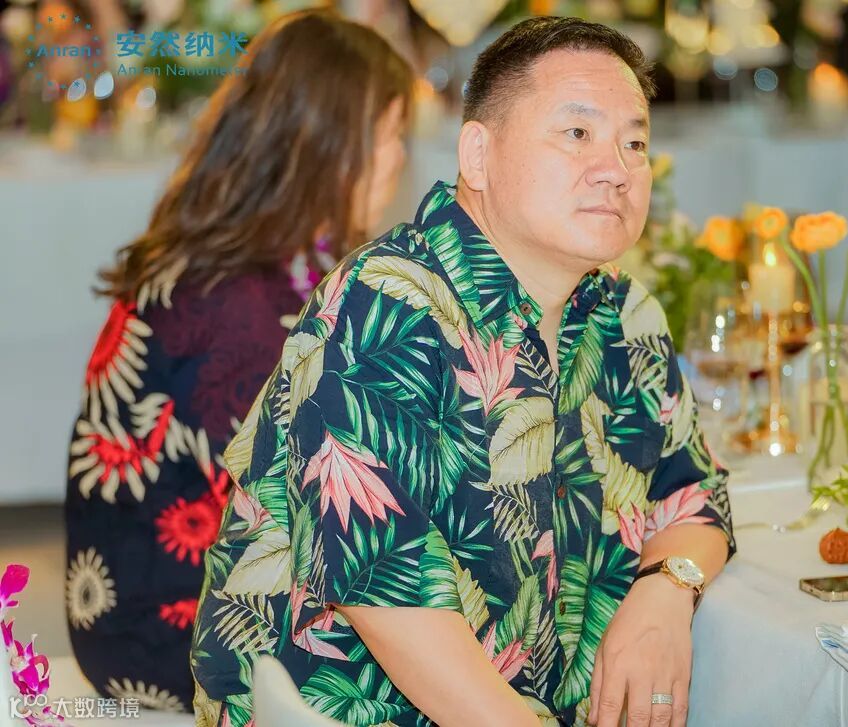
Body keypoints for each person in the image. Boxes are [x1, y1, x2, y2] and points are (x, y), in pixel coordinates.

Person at [191, 15, 734, 727]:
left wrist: (666, 588)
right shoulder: (387, 304)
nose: (617, 168)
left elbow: (695, 492)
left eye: (634, 142)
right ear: (477, 155)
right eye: (577, 133)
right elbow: (386, 588)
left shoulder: (625, 316)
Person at [64, 9, 412, 712]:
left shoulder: (270, 261)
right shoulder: (232, 304)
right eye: (388, 135)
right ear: (325, 145)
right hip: (167, 629)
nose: (400, 157)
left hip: (196, 594)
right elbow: (313, 514)